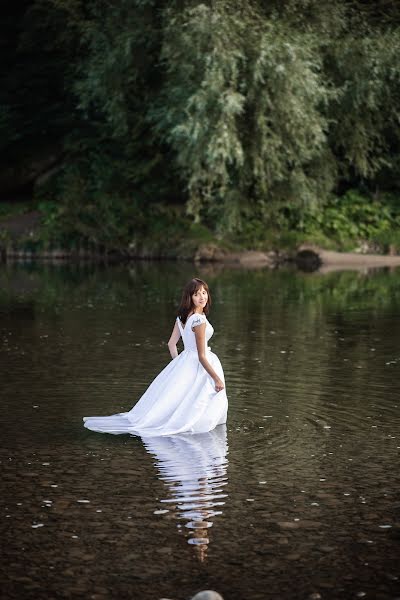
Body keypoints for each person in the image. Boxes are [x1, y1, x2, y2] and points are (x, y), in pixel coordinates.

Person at [83, 277, 228, 437]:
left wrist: (181, 366)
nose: (202, 297)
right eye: (196, 294)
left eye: (204, 292)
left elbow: (171, 344)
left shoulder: (182, 318)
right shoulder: (198, 320)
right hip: (202, 362)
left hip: (187, 360)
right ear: (189, 297)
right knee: (198, 400)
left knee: (181, 398)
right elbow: (201, 355)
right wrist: (216, 378)